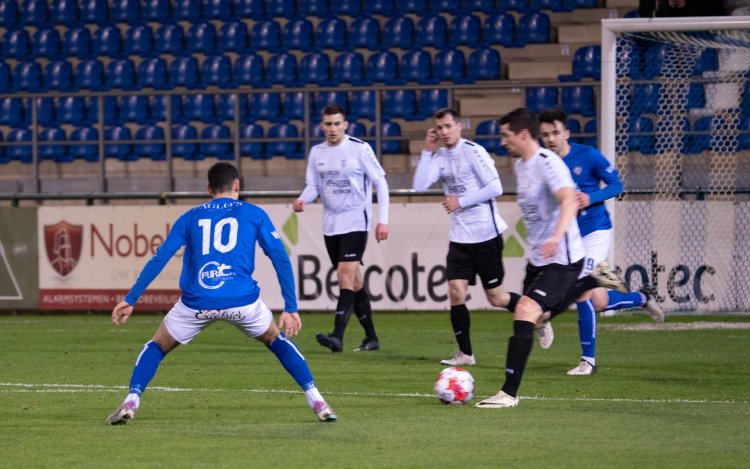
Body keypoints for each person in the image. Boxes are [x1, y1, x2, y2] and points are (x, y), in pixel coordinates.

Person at [106, 162, 337, 425]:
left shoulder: (190, 217)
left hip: (197, 303)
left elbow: (160, 258)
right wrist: (291, 306)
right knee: (276, 340)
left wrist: (131, 298)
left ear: (208, 189)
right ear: (237, 185)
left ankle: (132, 399)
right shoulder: (254, 213)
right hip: (242, 302)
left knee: (157, 346)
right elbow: (280, 258)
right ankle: (317, 399)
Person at [475, 108, 591, 408]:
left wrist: (556, 236)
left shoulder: (547, 164)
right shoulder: (520, 166)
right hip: (539, 257)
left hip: (562, 256)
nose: (503, 141)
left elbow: (568, 201)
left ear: (523, 134)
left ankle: (508, 393)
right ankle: (590, 282)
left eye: (506, 135)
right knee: (535, 315)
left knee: (524, 310)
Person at [538, 108, 664, 376]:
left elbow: (616, 185)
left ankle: (588, 360)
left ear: (567, 133)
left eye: (555, 133)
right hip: (567, 237)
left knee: (580, 286)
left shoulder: (588, 155)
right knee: (597, 301)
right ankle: (642, 298)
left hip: (595, 231)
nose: (550, 139)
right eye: (545, 134)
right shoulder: (543, 163)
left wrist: (590, 198)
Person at [413, 108, 521, 367]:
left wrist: (460, 201)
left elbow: (495, 187)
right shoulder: (438, 157)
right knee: (455, 291)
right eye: (439, 128)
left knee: (497, 298)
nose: (444, 132)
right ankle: (466, 353)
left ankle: (538, 315)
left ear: (460, 126)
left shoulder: (474, 151)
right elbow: (419, 185)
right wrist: (427, 151)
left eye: (449, 126)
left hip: (485, 234)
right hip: (460, 237)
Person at [293, 104, 389, 353]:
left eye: (337, 123)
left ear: (345, 125)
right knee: (354, 281)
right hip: (331, 224)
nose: (333, 128)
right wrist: (303, 198)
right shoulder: (317, 152)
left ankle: (337, 335)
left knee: (344, 274)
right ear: (322, 126)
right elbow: (313, 185)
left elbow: (381, 182)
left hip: (356, 220)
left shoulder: (359, 149)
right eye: (328, 124)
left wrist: (383, 219)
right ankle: (371, 337)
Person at [638, 0, 726, 17]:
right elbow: (645, 13)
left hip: (700, 38)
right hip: (660, 38)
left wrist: (687, 4)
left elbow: (716, 10)